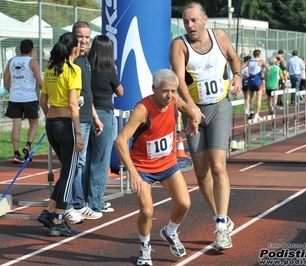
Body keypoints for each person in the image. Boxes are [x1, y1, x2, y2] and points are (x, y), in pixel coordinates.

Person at [170, 2, 241, 250]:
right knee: (201, 172)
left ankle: (221, 227)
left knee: (218, 166)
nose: (190, 25)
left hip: (220, 107)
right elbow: (179, 79)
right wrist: (191, 109)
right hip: (194, 112)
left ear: (205, 19)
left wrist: (237, 75)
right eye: (186, 21)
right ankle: (220, 216)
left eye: (194, 20)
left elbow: (234, 59)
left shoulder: (219, 37)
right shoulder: (179, 45)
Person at [114, 69, 198, 265]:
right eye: (166, 91)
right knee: (147, 211)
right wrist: (133, 174)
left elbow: (184, 106)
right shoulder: (142, 109)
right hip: (142, 167)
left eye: (173, 91)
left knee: (184, 204)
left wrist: (193, 118)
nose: (170, 96)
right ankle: (145, 248)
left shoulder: (174, 100)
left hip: (167, 164)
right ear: (154, 89)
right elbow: (120, 141)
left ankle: (169, 231)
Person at [37, 32, 83, 237]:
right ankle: (58, 219)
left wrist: (52, 119)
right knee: (69, 174)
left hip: (52, 124)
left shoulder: (49, 69)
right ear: (74, 49)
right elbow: (73, 104)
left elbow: (42, 102)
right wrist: (79, 133)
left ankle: (49, 212)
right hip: (65, 125)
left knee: (66, 171)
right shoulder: (74, 70)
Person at [67, 21, 105, 222]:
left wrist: (96, 117)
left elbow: (87, 93)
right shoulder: (69, 61)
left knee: (80, 162)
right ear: (73, 36)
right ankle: (76, 204)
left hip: (87, 118)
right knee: (77, 162)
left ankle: (76, 203)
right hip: (76, 118)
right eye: (80, 36)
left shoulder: (84, 59)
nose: (83, 40)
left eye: (86, 37)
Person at [84, 35, 124, 215]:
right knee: (101, 162)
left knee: (86, 160)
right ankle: (96, 202)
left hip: (86, 115)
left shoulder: (86, 67)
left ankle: (83, 200)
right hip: (104, 116)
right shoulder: (109, 71)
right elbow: (121, 91)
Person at [3, 39, 43, 163]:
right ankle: (28, 145)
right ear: (31, 50)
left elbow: (5, 81)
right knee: (34, 124)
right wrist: (47, 94)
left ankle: (15, 153)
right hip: (29, 97)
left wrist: (13, 92)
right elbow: (39, 81)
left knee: (16, 126)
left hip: (15, 98)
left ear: (20, 49)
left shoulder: (11, 62)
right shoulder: (32, 62)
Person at [244, 49, 270, 119]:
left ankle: (250, 111)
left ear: (253, 55)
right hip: (258, 81)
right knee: (258, 98)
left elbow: (240, 68)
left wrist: (243, 75)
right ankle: (257, 114)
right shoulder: (261, 61)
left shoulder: (249, 61)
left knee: (251, 97)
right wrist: (264, 77)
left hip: (250, 81)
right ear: (259, 55)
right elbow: (268, 69)